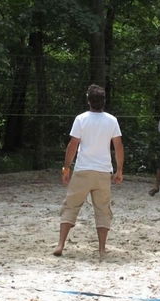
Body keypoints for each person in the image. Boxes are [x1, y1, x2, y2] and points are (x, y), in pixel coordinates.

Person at [53, 84, 124, 258]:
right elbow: (118, 146)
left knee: (70, 206)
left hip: (83, 169)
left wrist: (66, 167)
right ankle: (101, 249)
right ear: (104, 101)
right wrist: (119, 170)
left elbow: (72, 145)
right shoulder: (112, 120)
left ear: (88, 100)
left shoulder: (81, 119)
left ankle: (61, 244)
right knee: (103, 210)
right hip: (103, 172)